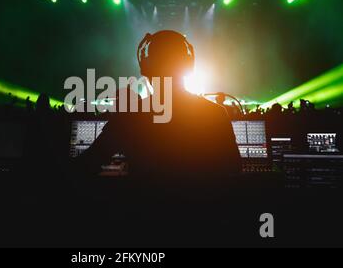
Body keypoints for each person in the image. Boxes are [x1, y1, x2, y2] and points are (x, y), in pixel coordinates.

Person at [77, 30, 241, 185]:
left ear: (146, 67)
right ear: (188, 66)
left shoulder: (130, 115)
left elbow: (86, 165)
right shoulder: (215, 113)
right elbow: (233, 171)